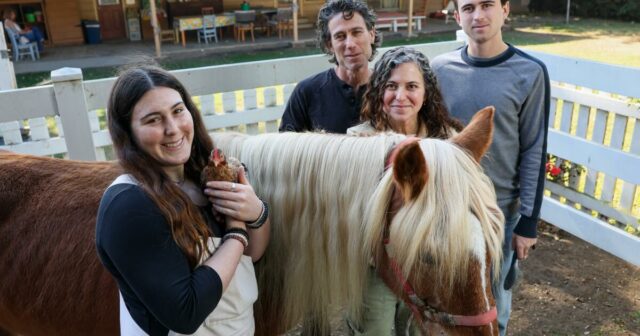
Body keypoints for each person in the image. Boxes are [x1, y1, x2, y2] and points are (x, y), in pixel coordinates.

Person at [96, 65, 270, 335]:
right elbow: (185, 313)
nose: (173, 129)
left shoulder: (204, 176)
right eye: (153, 120)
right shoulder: (130, 206)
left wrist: (256, 212)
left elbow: (250, 256)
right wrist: (237, 231)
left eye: (178, 111)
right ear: (128, 132)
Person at [430, 1, 550, 335]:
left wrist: (528, 222)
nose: (478, 15)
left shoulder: (530, 72)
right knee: (449, 298)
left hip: (500, 212)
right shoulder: (440, 69)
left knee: (494, 304)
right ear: (457, 17)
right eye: (468, 7)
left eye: (487, 5)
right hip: (449, 208)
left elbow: (534, 148)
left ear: (505, 10)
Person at [347, 46, 462, 336]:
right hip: (374, 267)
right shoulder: (357, 141)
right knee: (375, 330)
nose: (400, 96)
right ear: (378, 92)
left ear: (426, 93)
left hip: (428, 263)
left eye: (412, 86)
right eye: (391, 86)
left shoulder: (447, 141)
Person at [278, 0, 380, 134]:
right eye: (340, 36)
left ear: (371, 35)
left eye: (357, 32)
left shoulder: (389, 90)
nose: (350, 44)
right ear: (329, 45)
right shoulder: (307, 92)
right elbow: (285, 146)